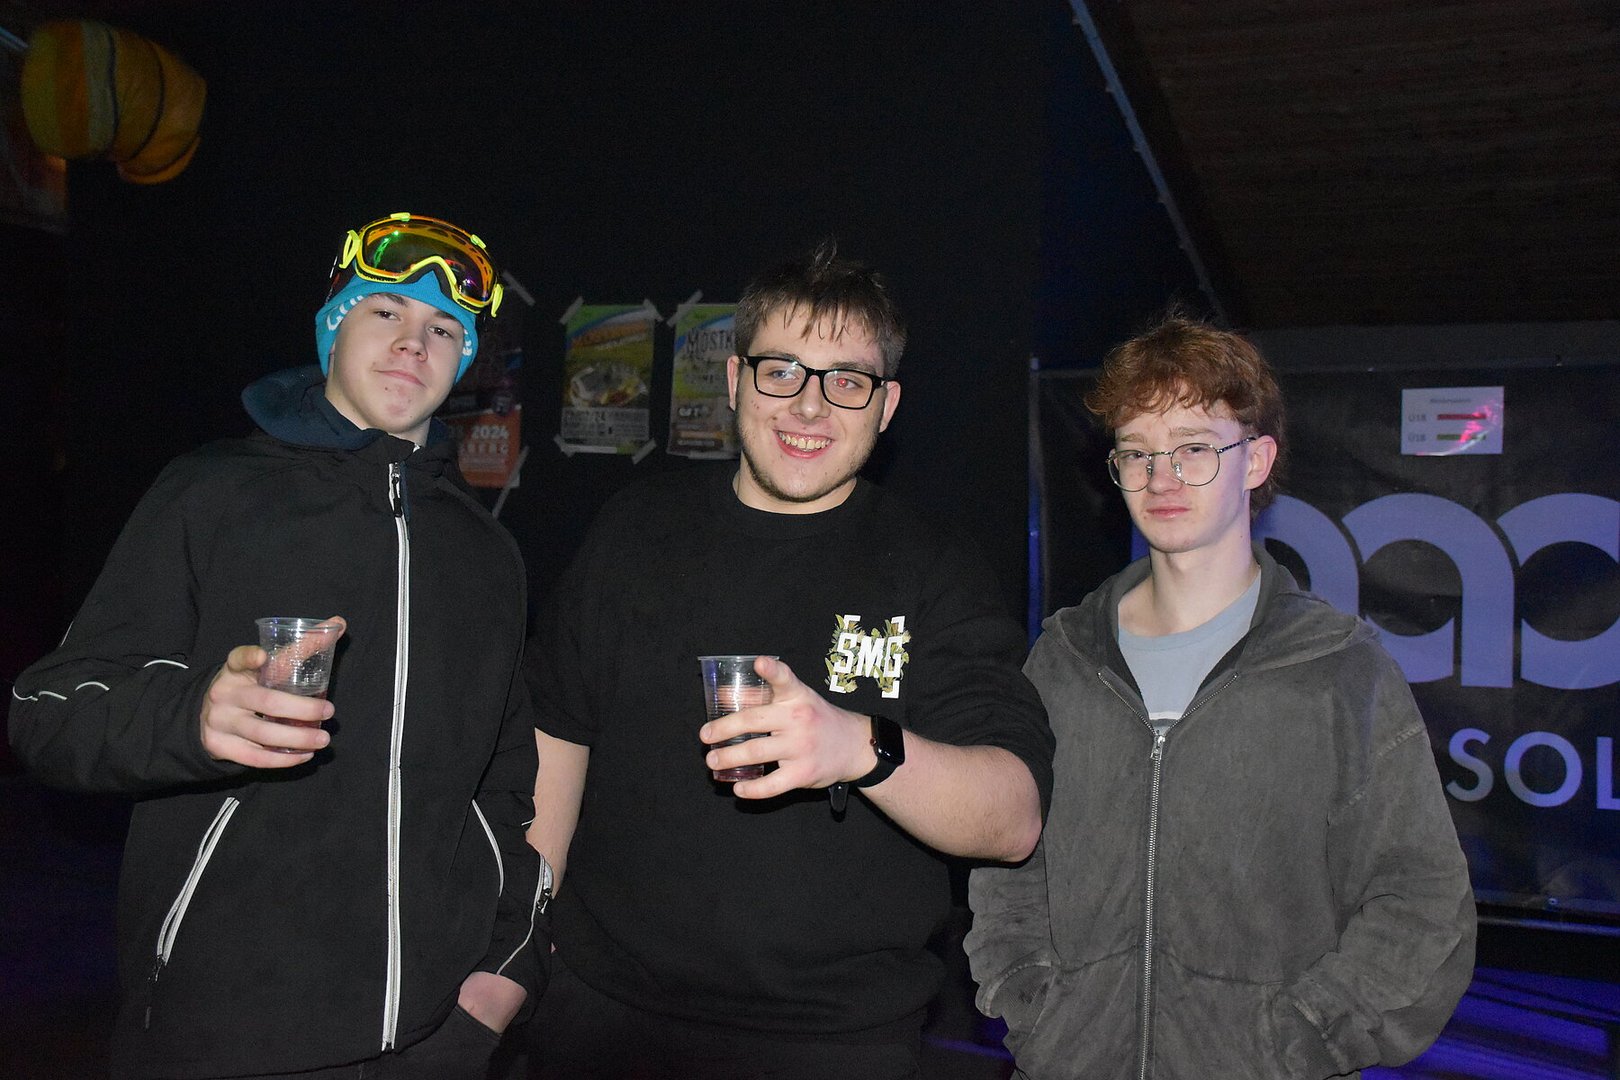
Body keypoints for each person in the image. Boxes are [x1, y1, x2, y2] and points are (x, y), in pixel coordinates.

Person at [9, 212, 547, 1080]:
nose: (414, 343)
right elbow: (48, 713)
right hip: (222, 1030)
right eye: (385, 312)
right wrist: (192, 718)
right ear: (333, 326)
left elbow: (505, 785)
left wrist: (503, 977)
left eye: (445, 329)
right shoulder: (212, 492)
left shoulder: (487, 551)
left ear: (465, 361)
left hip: (432, 1036)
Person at [523, 240, 1054, 1079]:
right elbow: (558, 740)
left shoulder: (934, 566)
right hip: (599, 1022)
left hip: (833, 1042)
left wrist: (859, 748)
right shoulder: (634, 531)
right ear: (735, 381)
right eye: (782, 372)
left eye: (847, 381)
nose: (810, 406)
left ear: (886, 406)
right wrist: (514, 953)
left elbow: (1013, 817)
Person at [965, 313, 1477, 1079]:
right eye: (1137, 452)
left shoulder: (1338, 669)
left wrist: (1301, 1039)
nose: (1161, 478)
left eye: (1194, 449)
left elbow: (1422, 896)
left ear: (1256, 460)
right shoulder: (1064, 659)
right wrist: (1036, 1010)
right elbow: (1011, 862)